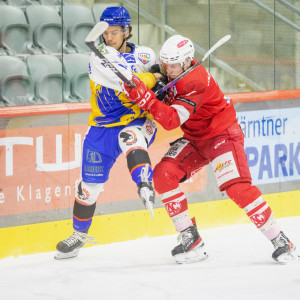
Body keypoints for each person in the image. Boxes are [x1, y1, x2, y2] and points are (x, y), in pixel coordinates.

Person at [124, 35, 299, 264]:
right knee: (163, 175)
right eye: (166, 64)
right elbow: (160, 75)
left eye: (174, 65)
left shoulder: (195, 81)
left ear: (188, 61)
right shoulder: (174, 70)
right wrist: (152, 80)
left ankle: (280, 240)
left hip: (222, 135)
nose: (169, 70)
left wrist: (147, 99)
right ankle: (191, 239)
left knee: (237, 187)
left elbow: (171, 120)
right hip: (196, 139)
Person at [55, 6, 158, 259]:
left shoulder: (145, 55)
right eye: (105, 32)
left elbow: (162, 77)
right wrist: (153, 79)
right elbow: (129, 82)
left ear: (127, 31)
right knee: (87, 188)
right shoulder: (98, 56)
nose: (109, 37)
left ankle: (145, 184)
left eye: (114, 32)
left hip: (136, 122)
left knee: (130, 138)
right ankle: (79, 236)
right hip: (101, 128)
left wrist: (162, 79)